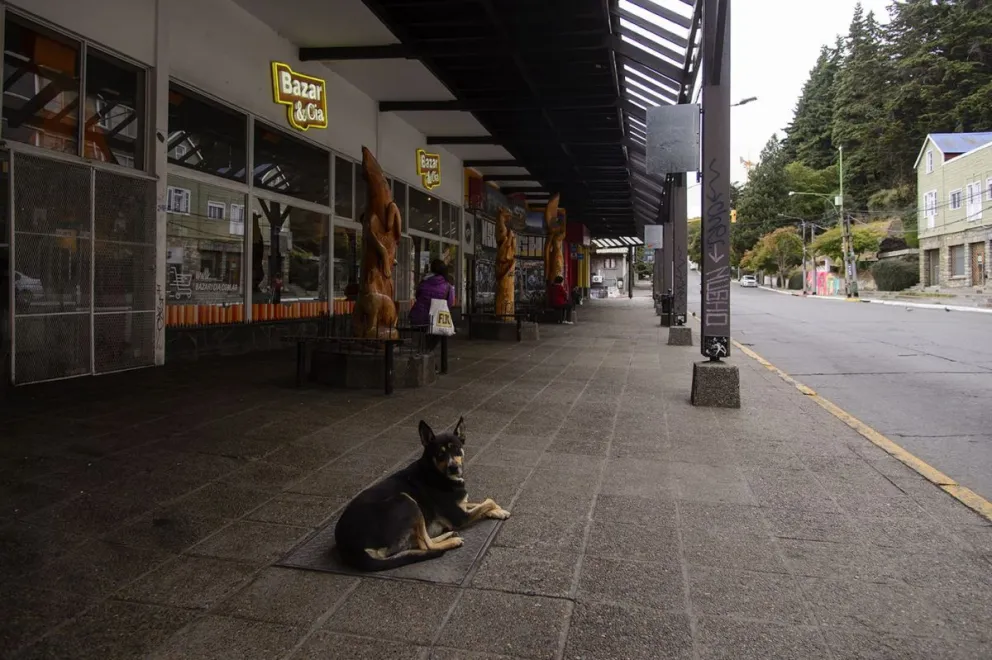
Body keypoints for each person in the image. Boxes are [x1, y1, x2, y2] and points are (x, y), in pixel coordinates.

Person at [410, 259, 455, 351]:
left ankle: (424, 350)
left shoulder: (424, 282)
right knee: (437, 331)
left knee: (426, 332)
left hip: (419, 317)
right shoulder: (448, 286)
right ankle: (428, 351)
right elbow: (450, 303)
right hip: (437, 319)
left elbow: (418, 295)